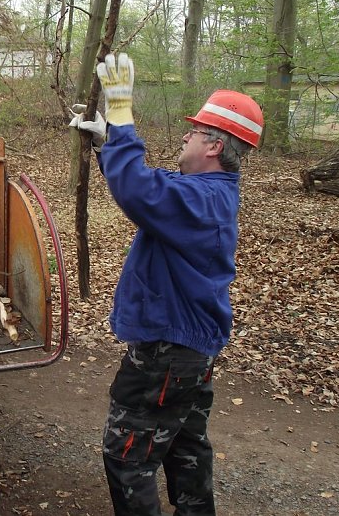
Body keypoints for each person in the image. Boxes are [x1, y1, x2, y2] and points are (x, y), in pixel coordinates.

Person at [70, 53, 262, 516]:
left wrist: (120, 115)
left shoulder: (202, 201)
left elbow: (141, 191)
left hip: (167, 354)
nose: (185, 134)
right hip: (187, 352)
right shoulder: (206, 196)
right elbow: (152, 189)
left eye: (195, 130)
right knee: (185, 445)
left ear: (215, 146)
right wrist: (107, 143)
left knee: (127, 454)